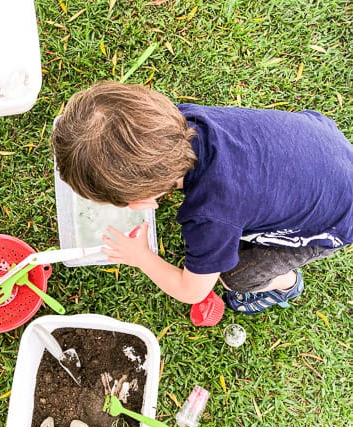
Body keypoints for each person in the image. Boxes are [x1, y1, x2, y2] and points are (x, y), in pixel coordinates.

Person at [52, 81, 352, 317]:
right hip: (322, 144)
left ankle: (284, 285)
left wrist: (140, 256)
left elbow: (191, 291)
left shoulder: (210, 215)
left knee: (235, 276)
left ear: (141, 200)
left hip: (337, 216)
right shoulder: (184, 120)